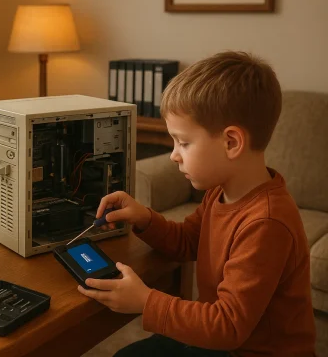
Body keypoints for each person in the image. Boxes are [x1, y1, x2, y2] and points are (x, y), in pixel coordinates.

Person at [79, 51, 317, 356]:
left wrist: (146, 301)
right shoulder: (220, 193)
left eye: (184, 142)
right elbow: (188, 241)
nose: (174, 155)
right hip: (223, 342)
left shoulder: (266, 222)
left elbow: (228, 326)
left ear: (231, 142)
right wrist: (143, 218)